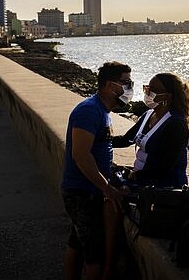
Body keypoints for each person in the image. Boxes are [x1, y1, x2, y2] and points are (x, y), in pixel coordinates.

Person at [61, 61, 134, 280]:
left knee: (77, 243)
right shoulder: (89, 111)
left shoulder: (102, 110)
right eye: (126, 83)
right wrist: (107, 188)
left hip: (88, 190)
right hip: (82, 193)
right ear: (111, 86)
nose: (130, 87)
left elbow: (102, 145)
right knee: (95, 256)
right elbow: (81, 155)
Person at [113, 72, 189, 188]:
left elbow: (164, 167)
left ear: (167, 96)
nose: (148, 93)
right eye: (147, 89)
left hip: (163, 185)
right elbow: (126, 140)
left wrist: (133, 175)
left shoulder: (176, 124)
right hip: (142, 176)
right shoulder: (148, 115)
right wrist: (98, 139)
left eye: (153, 90)